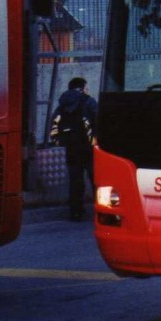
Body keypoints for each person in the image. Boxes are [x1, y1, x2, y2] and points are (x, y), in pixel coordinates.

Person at [50, 77, 98, 221]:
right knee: (96, 178)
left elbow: (55, 122)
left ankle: (76, 211)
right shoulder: (88, 101)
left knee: (75, 179)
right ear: (82, 88)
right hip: (89, 146)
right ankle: (101, 210)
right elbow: (98, 120)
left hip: (71, 146)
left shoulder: (62, 104)